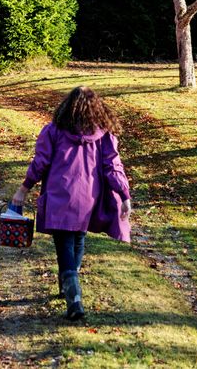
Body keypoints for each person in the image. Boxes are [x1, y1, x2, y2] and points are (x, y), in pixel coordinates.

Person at [10, 86, 132, 321]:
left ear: (67, 106)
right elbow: (113, 166)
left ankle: (73, 296)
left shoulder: (53, 131)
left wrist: (24, 188)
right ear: (96, 109)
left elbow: (40, 163)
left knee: (64, 244)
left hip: (59, 196)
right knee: (78, 238)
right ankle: (69, 285)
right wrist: (124, 195)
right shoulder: (104, 135)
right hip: (88, 197)